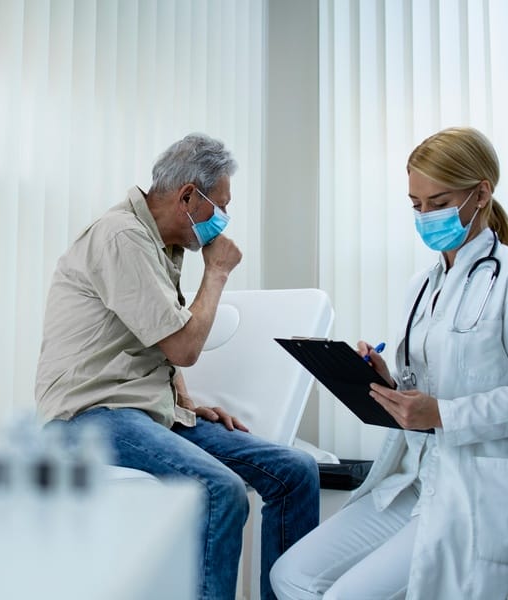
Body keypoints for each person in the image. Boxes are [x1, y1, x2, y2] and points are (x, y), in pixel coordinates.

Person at [269, 127, 508, 599]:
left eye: (438, 201)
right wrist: (386, 379)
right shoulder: (423, 285)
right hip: (419, 478)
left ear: (481, 194)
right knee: (291, 576)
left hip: (483, 489)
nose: (425, 215)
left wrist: (443, 414)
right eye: (416, 204)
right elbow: (426, 382)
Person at [35, 132, 320, 600]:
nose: (224, 219)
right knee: (219, 491)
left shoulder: (159, 242)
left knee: (296, 471)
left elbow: (154, 338)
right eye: (220, 205)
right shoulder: (121, 236)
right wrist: (218, 272)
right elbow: (185, 346)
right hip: (88, 417)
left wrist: (183, 401)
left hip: (145, 413)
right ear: (189, 195)